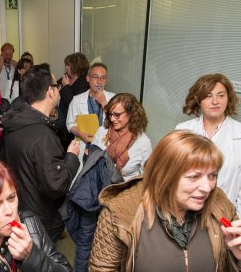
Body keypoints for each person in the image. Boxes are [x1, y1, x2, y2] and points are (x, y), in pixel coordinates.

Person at [89, 130, 241, 271]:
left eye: (212, 175)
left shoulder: (221, 206)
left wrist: (237, 257)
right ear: (165, 176)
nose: (207, 188)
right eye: (194, 177)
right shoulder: (121, 212)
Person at [2, 63, 80, 242]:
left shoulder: (17, 121)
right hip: (40, 219)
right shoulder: (41, 135)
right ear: (50, 91)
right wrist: (71, 158)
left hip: (23, 208)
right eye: (57, 86)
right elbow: (55, 185)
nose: (59, 90)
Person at [176, 73, 241, 215]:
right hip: (186, 214)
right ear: (198, 100)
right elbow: (173, 176)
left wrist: (237, 221)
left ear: (228, 98)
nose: (215, 101)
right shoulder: (182, 130)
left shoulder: (239, 133)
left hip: (224, 216)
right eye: (208, 96)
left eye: (221, 95)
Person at [92, 93, 152, 181]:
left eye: (117, 115)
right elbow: (92, 163)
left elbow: (147, 177)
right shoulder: (102, 131)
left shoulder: (143, 142)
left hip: (125, 191)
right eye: (110, 114)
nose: (112, 119)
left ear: (131, 114)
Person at [66, 62, 116, 169]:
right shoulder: (77, 100)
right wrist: (79, 133)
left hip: (106, 148)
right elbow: (70, 124)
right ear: (88, 78)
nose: (99, 81)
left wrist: (104, 104)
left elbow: (117, 122)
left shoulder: (113, 99)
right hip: (84, 146)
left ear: (106, 80)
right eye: (95, 77)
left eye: (103, 78)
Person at [58, 52, 90, 150]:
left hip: (72, 130)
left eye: (68, 65)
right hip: (61, 127)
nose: (66, 67)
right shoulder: (65, 78)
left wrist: (66, 87)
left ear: (76, 66)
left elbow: (73, 104)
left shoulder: (84, 84)